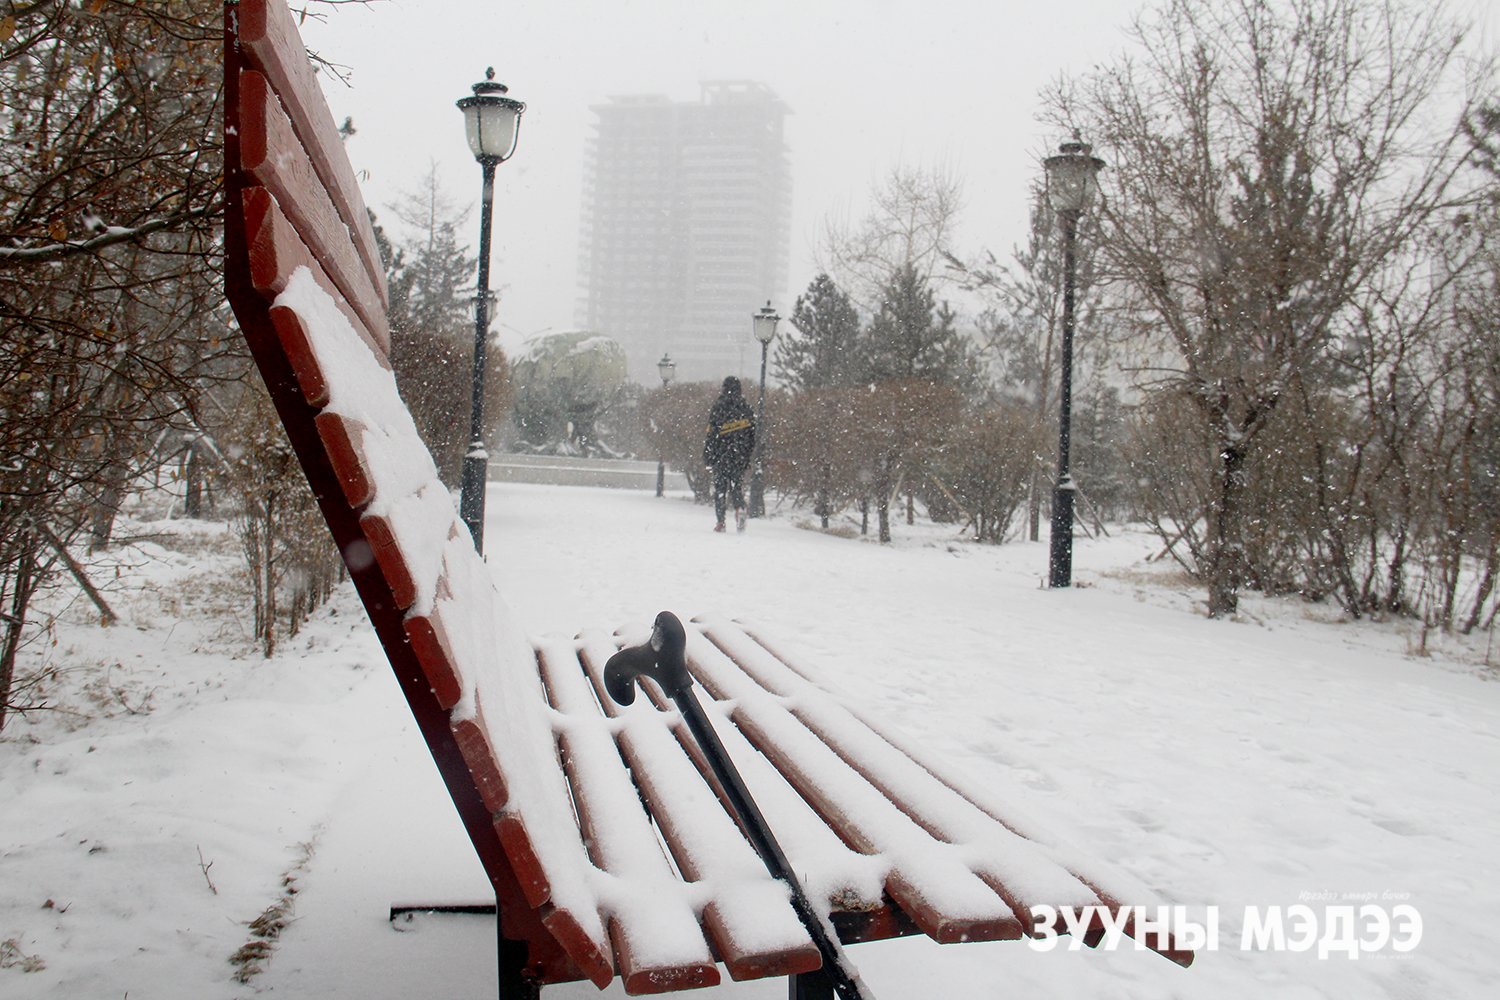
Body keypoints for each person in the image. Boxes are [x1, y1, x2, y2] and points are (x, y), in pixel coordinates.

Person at [702, 376, 756, 532]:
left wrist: (708, 455)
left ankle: (721, 522)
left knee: (720, 489)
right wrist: (746, 454)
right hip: (739, 456)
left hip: (721, 455)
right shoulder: (746, 408)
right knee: (736, 486)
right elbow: (752, 435)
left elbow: (711, 433)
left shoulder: (718, 407)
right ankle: (740, 509)